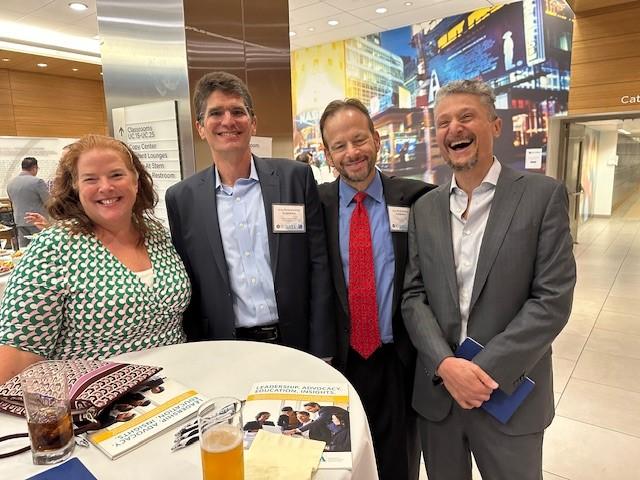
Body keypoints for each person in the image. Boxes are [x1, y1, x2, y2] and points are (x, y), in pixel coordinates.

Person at [402, 79, 576, 480]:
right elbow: (413, 296)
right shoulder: (425, 208)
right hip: (440, 395)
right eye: (443, 122)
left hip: (509, 393)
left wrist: (480, 373)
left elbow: (551, 301)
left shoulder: (541, 196)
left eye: (467, 117)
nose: (454, 129)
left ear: (495, 126)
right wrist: (446, 364)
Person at [165, 71, 335, 359]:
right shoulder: (182, 199)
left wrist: (322, 348)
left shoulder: (295, 178)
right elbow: (190, 285)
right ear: (200, 127)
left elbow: (319, 266)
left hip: (296, 342)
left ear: (253, 122)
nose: (228, 121)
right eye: (216, 113)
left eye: (237, 111)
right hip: (225, 349)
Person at [0, 134, 191, 384]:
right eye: (91, 179)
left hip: (178, 388)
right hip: (97, 406)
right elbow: (16, 356)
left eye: (116, 175)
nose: (106, 187)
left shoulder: (156, 234)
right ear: (76, 187)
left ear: (135, 181)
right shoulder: (54, 248)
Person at [317, 98, 433, 480]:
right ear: (327, 153)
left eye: (359, 139)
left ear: (377, 140)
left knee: (399, 461)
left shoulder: (418, 200)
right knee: (341, 463)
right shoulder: (315, 205)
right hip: (340, 361)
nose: (352, 152)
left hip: (397, 359)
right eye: (339, 145)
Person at [6, 156, 49, 247]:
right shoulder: (38, 182)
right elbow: (48, 201)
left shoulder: (11, 183)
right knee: (41, 248)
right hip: (37, 222)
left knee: (24, 250)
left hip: (19, 221)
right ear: (34, 168)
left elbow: (11, 201)